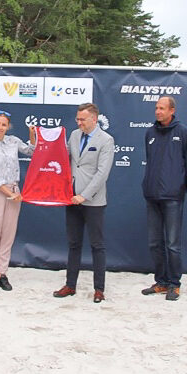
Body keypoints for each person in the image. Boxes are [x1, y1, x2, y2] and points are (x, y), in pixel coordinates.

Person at [52, 103, 114, 303]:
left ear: (94, 119)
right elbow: (64, 157)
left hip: (93, 201)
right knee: (73, 244)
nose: (78, 122)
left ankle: (99, 289)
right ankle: (70, 285)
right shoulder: (74, 135)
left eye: (82, 119)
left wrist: (84, 195)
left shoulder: (106, 140)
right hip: (72, 199)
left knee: (97, 245)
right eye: (77, 119)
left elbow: (102, 173)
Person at [141, 96, 187, 301]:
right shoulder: (150, 133)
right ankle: (161, 282)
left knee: (172, 244)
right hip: (152, 195)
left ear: (172, 110)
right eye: (156, 108)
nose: (158, 111)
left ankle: (175, 284)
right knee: (155, 243)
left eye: (162, 108)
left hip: (173, 196)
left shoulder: (183, 132)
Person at [0, 110, 36, 294]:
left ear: (8, 126)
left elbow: (31, 151)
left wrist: (32, 135)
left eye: (4, 124)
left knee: (8, 235)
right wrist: (9, 194)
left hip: (14, 191)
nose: (0, 127)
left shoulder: (13, 141)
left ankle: (2, 273)